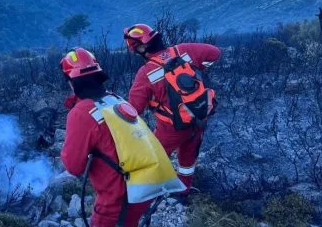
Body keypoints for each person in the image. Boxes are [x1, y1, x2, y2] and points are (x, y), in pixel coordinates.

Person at [60, 48, 185, 227]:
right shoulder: (115, 100)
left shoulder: (81, 113)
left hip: (116, 199)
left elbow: (73, 166)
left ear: (71, 81)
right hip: (143, 188)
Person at [123, 23, 221, 201]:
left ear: (142, 48)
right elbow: (214, 53)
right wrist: (198, 70)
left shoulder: (146, 73)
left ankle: (145, 196)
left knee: (153, 158)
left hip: (170, 128)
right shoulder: (183, 51)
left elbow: (134, 110)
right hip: (197, 119)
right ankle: (182, 193)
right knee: (188, 158)